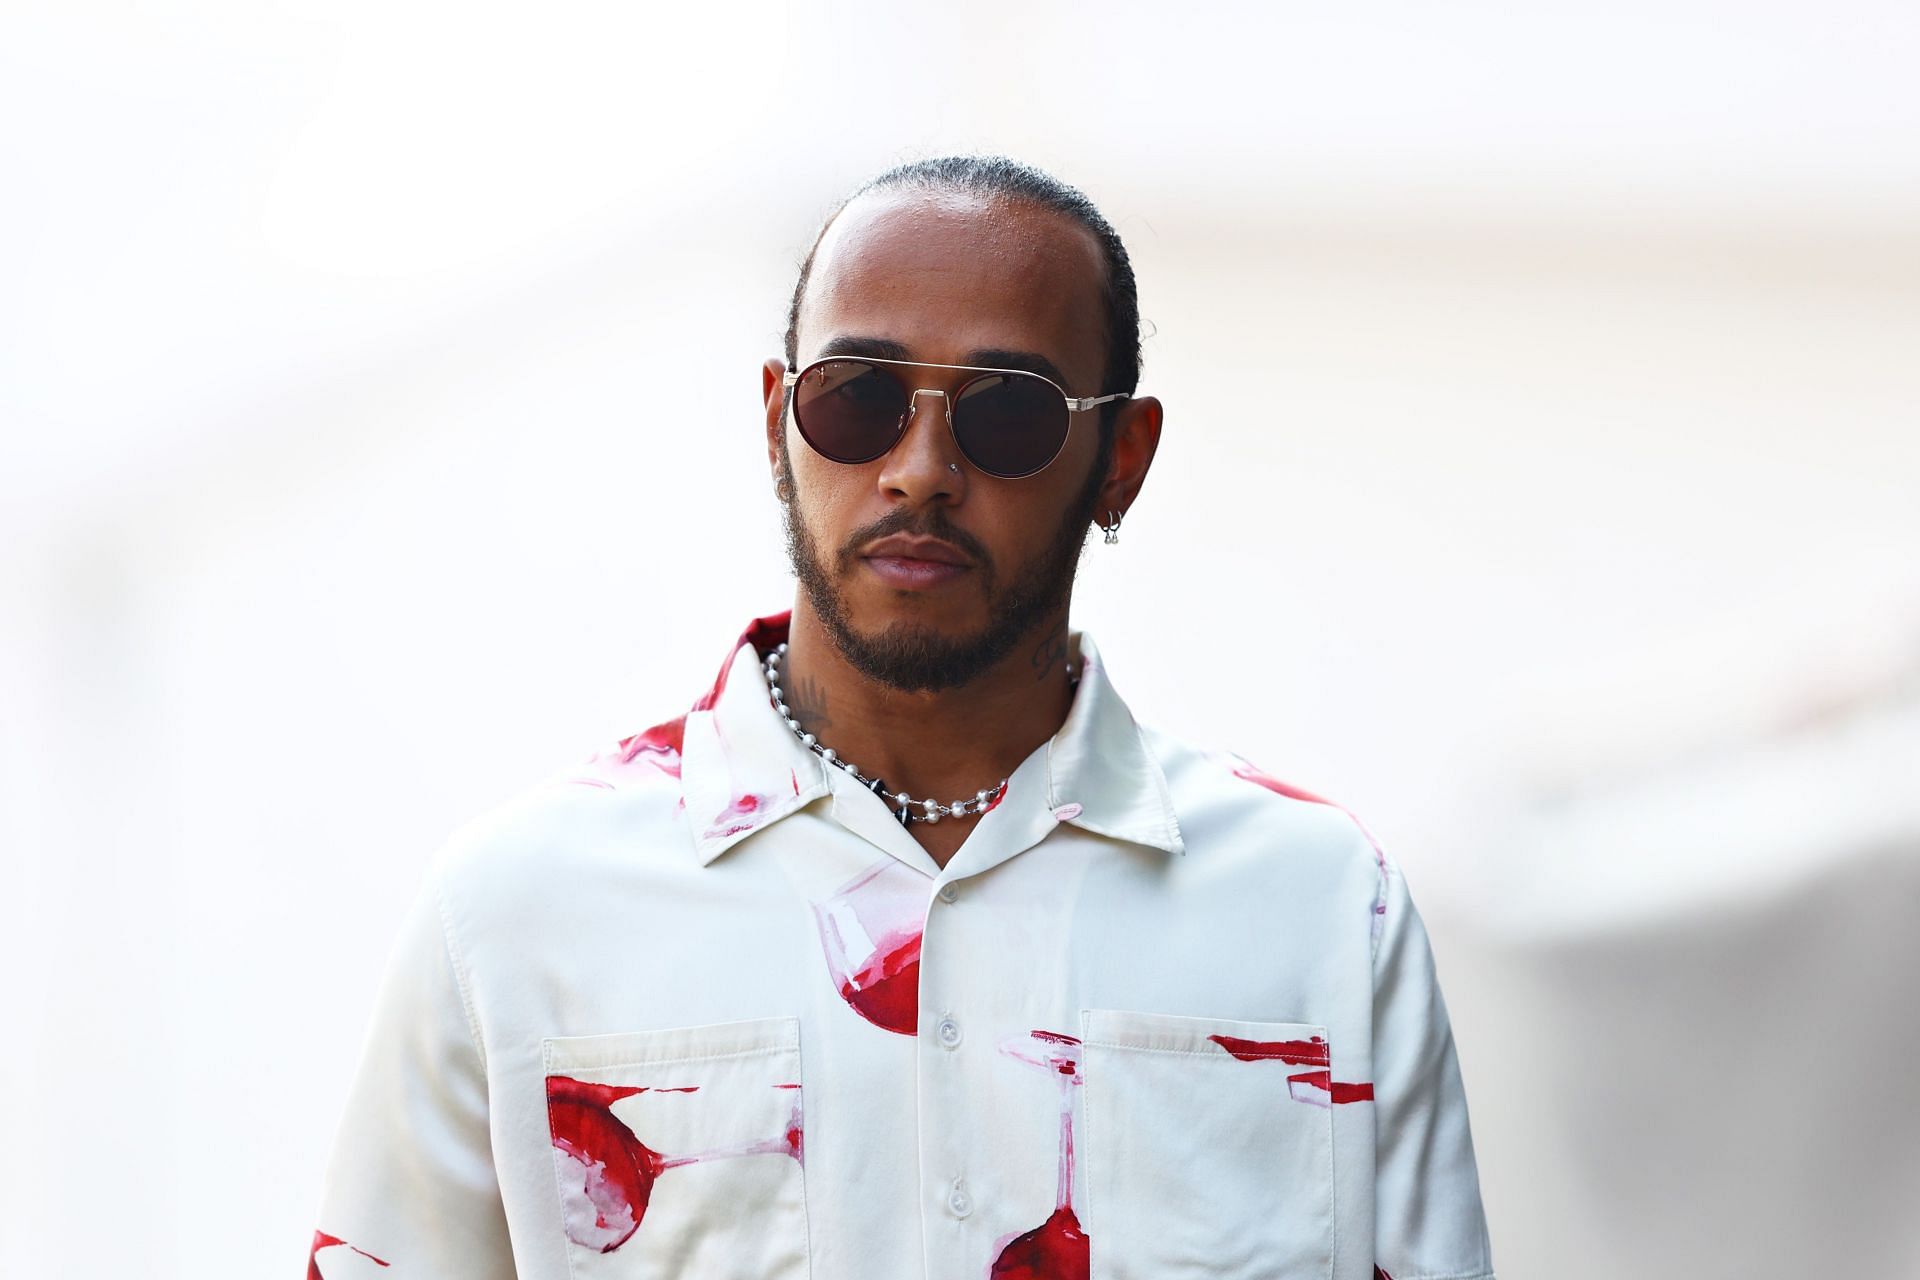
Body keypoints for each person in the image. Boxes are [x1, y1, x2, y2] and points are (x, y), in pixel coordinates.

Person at [308, 155, 1494, 1280]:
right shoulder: (521, 911)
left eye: (1009, 413)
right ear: (779, 421)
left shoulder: (1325, 909)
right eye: (858, 397)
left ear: (1121, 456)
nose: (920, 466)